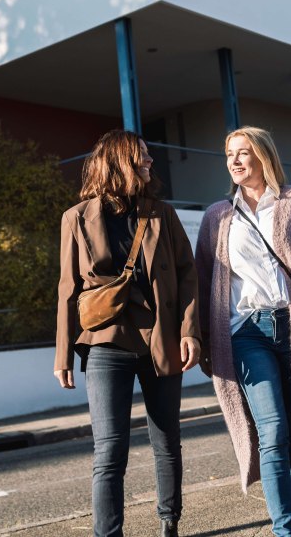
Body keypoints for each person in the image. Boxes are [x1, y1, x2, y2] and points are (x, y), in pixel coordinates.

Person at [195, 126, 291, 537]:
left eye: (244, 152)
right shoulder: (217, 216)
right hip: (244, 331)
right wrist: (201, 338)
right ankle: (285, 530)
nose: (235, 161)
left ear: (263, 156)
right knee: (273, 428)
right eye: (230, 154)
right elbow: (202, 278)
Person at [54, 129, 201, 537]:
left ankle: (169, 522)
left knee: (167, 441)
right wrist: (63, 354)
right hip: (105, 342)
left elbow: (189, 275)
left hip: (161, 340)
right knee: (110, 450)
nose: (150, 163)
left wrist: (191, 331)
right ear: (118, 161)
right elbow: (68, 289)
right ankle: (109, 533)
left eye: (149, 157)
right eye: (142, 157)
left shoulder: (161, 214)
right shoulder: (76, 217)